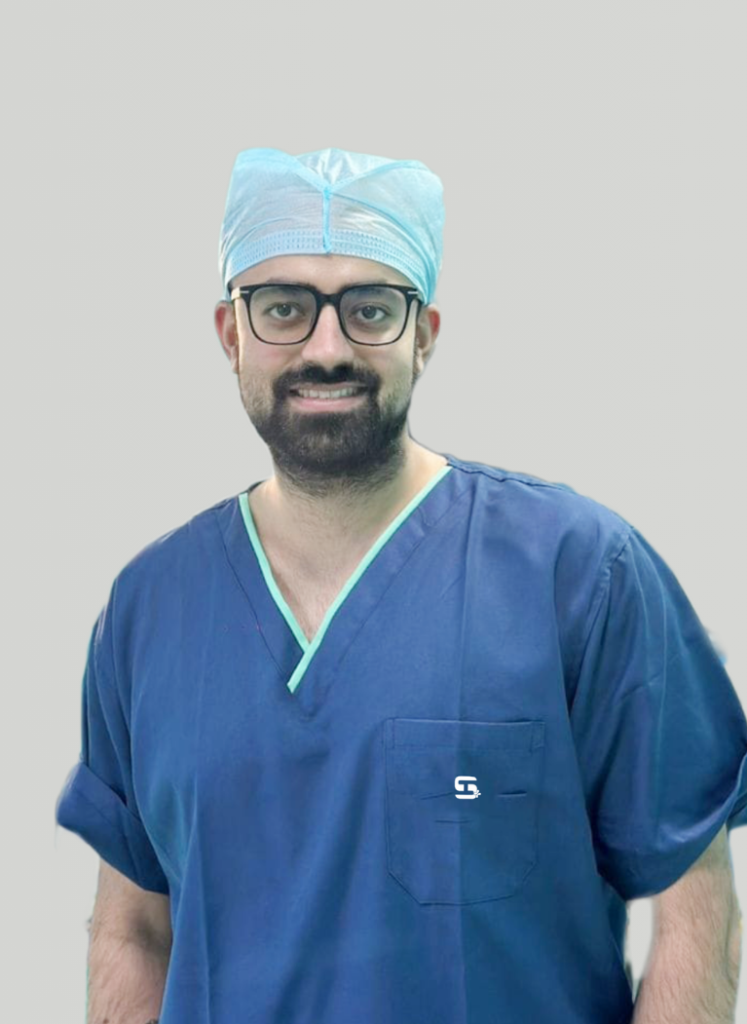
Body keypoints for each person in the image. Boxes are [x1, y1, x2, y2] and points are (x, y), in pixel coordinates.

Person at [55, 147, 747, 1024]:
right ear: (231, 334)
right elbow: (132, 930)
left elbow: (695, 918)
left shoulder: (579, 573)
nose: (327, 348)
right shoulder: (150, 607)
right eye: (283, 308)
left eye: (371, 309)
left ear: (423, 335)